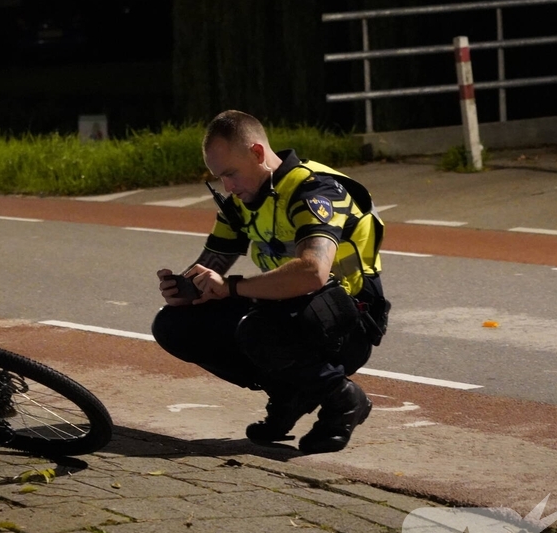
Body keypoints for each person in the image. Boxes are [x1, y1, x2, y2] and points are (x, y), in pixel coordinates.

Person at [152, 110, 389, 453]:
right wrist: (186, 288)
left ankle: (342, 398)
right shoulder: (240, 202)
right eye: (219, 178)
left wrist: (230, 287)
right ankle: (288, 392)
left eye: (230, 174)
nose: (227, 187)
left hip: (345, 322)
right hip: (287, 311)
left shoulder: (315, 190)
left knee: (258, 328)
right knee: (174, 324)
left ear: (257, 153)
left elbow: (312, 272)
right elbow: (210, 265)